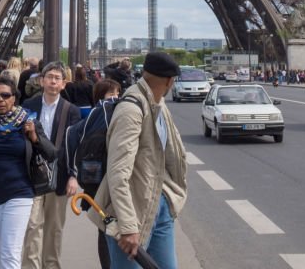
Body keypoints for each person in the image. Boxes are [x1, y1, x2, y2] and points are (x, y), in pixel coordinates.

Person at [89, 51, 187, 269]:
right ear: (170, 81)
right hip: (132, 211)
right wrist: (127, 225)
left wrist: (170, 198)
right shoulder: (131, 110)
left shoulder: (159, 105)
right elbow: (118, 173)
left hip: (158, 205)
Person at [0, 80, 57, 269]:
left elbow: (52, 153)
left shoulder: (29, 122)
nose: (0, 100)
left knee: (10, 252)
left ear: (14, 98)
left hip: (19, 192)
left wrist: (35, 137)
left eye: (5, 95)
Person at [21, 62, 81, 269]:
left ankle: (51, 266)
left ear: (64, 84)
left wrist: (73, 175)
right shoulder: (29, 105)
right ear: (41, 80)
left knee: (54, 228)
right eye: (50, 77)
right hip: (33, 172)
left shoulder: (70, 110)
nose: (53, 81)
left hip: (60, 174)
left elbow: (73, 145)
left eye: (57, 78)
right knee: (32, 225)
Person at [65, 78, 121, 269]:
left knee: (104, 229)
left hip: (93, 182)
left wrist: (72, 172)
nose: (115, 98)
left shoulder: (91, 117)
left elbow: (71, 135)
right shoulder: (110, 110)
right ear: (100, 97)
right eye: (110, 94)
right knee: (111, 230)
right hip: (108, 181)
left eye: (117, 94)